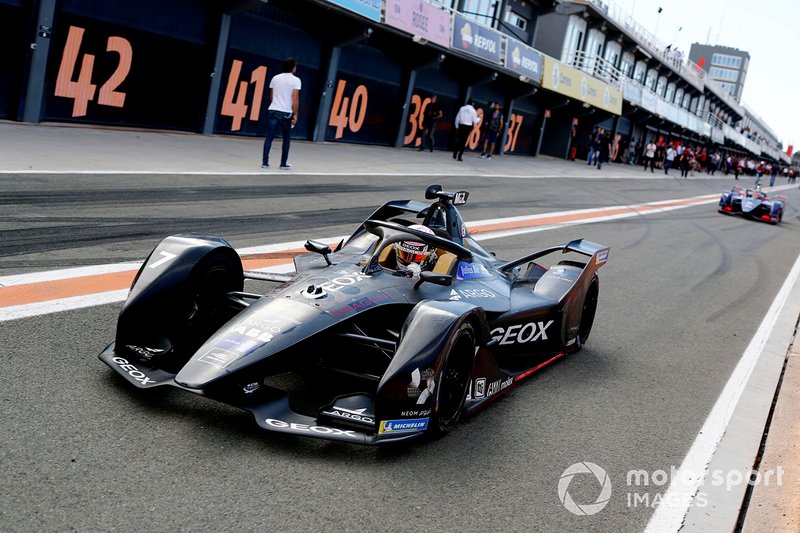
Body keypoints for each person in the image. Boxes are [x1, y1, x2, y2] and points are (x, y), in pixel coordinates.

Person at [262, 57, 301, 170]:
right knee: (286, 138)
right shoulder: (296, 80)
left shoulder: (275, 78)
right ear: (293, 67)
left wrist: (275, 104)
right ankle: (283, 163)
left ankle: (265, 162)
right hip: (286, 113)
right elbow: (295, 98)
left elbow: (271, 95)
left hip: (273, 109)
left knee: (269, 137)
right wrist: (295, 114)